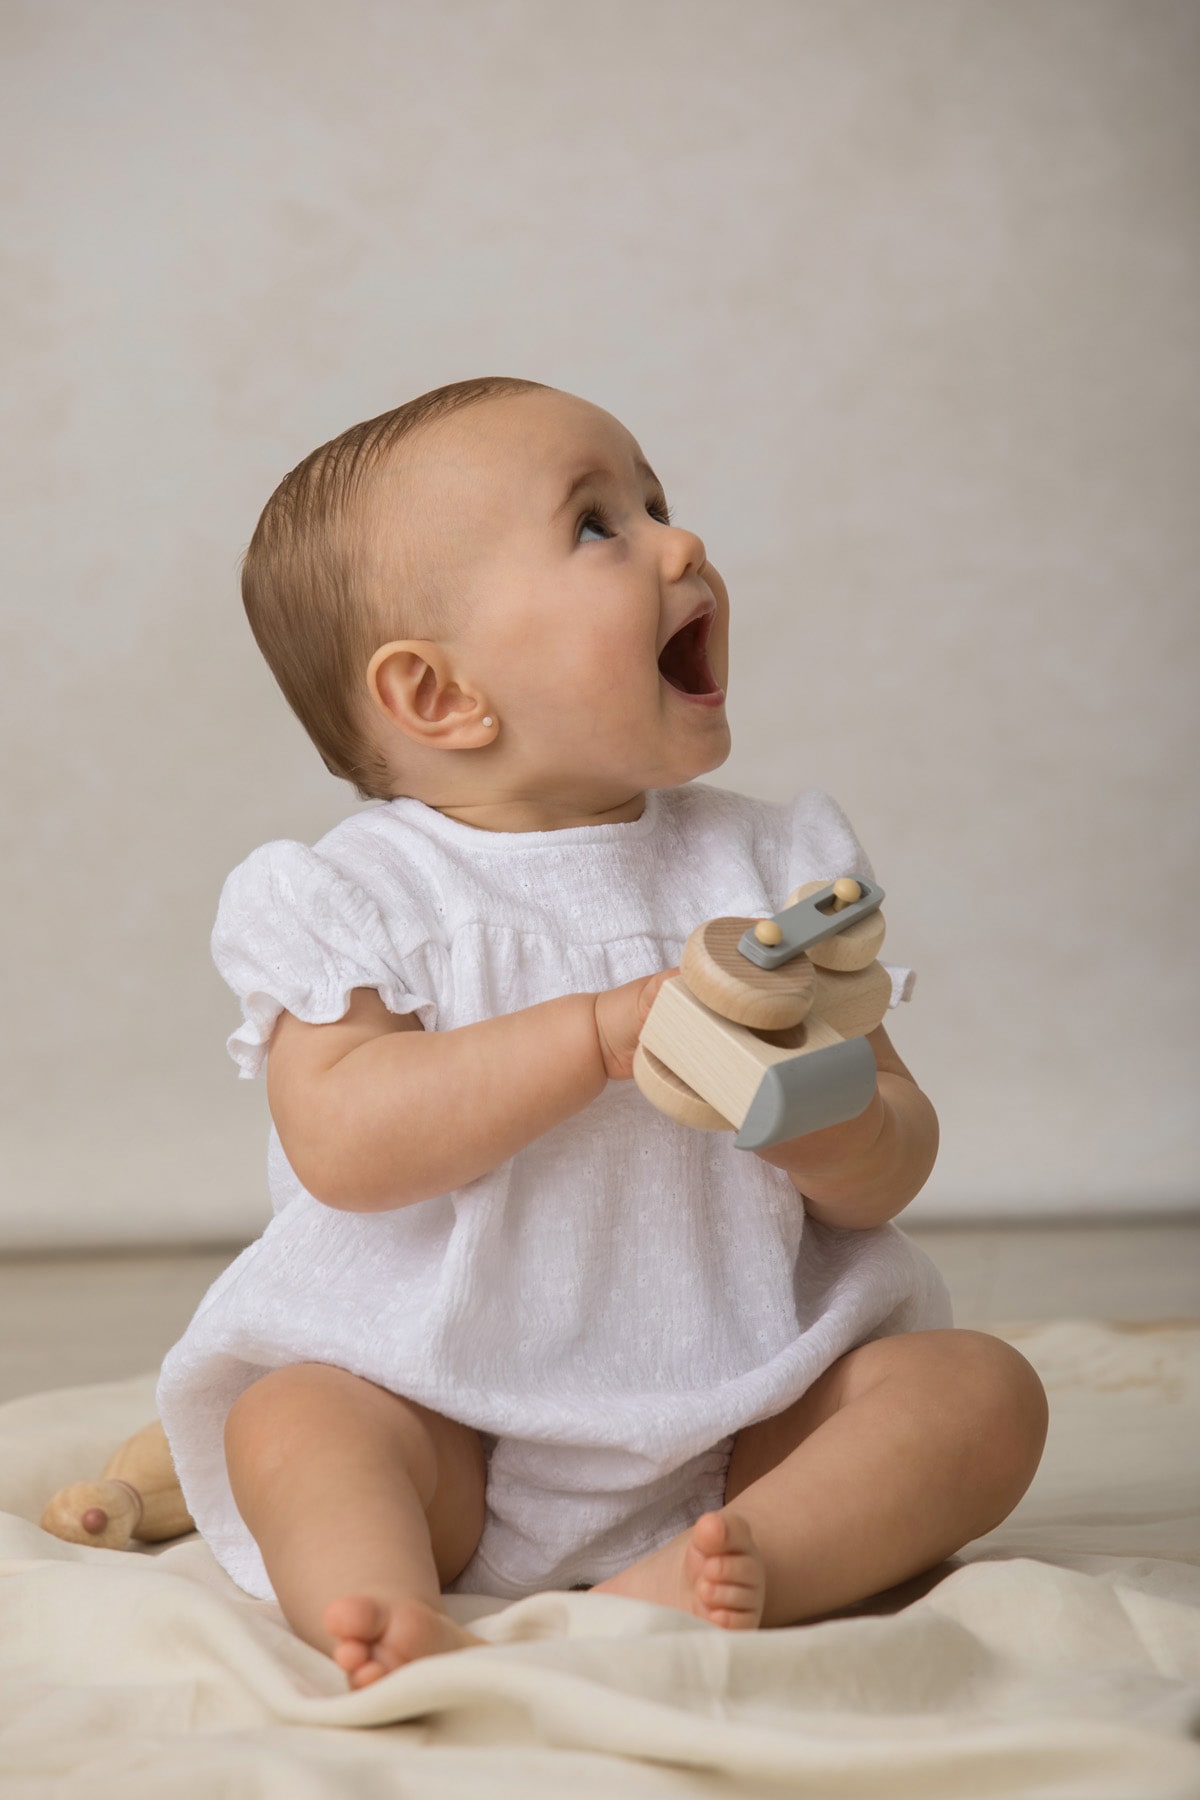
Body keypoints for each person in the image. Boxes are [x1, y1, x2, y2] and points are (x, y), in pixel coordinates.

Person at [157, 377, 1048, 1689]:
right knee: (294, 1420)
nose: (680, 544)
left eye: (658, 503)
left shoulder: (771, 867)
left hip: (759, 1398)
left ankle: (720, 1570)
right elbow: (344, 1139)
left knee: (981, 1398)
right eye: (597, 526)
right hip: (441, 1403)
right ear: (439, 695)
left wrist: (839, 1121)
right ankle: (386, 1607)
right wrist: (591, 1036)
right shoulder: (357, 898)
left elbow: (897, 1159)